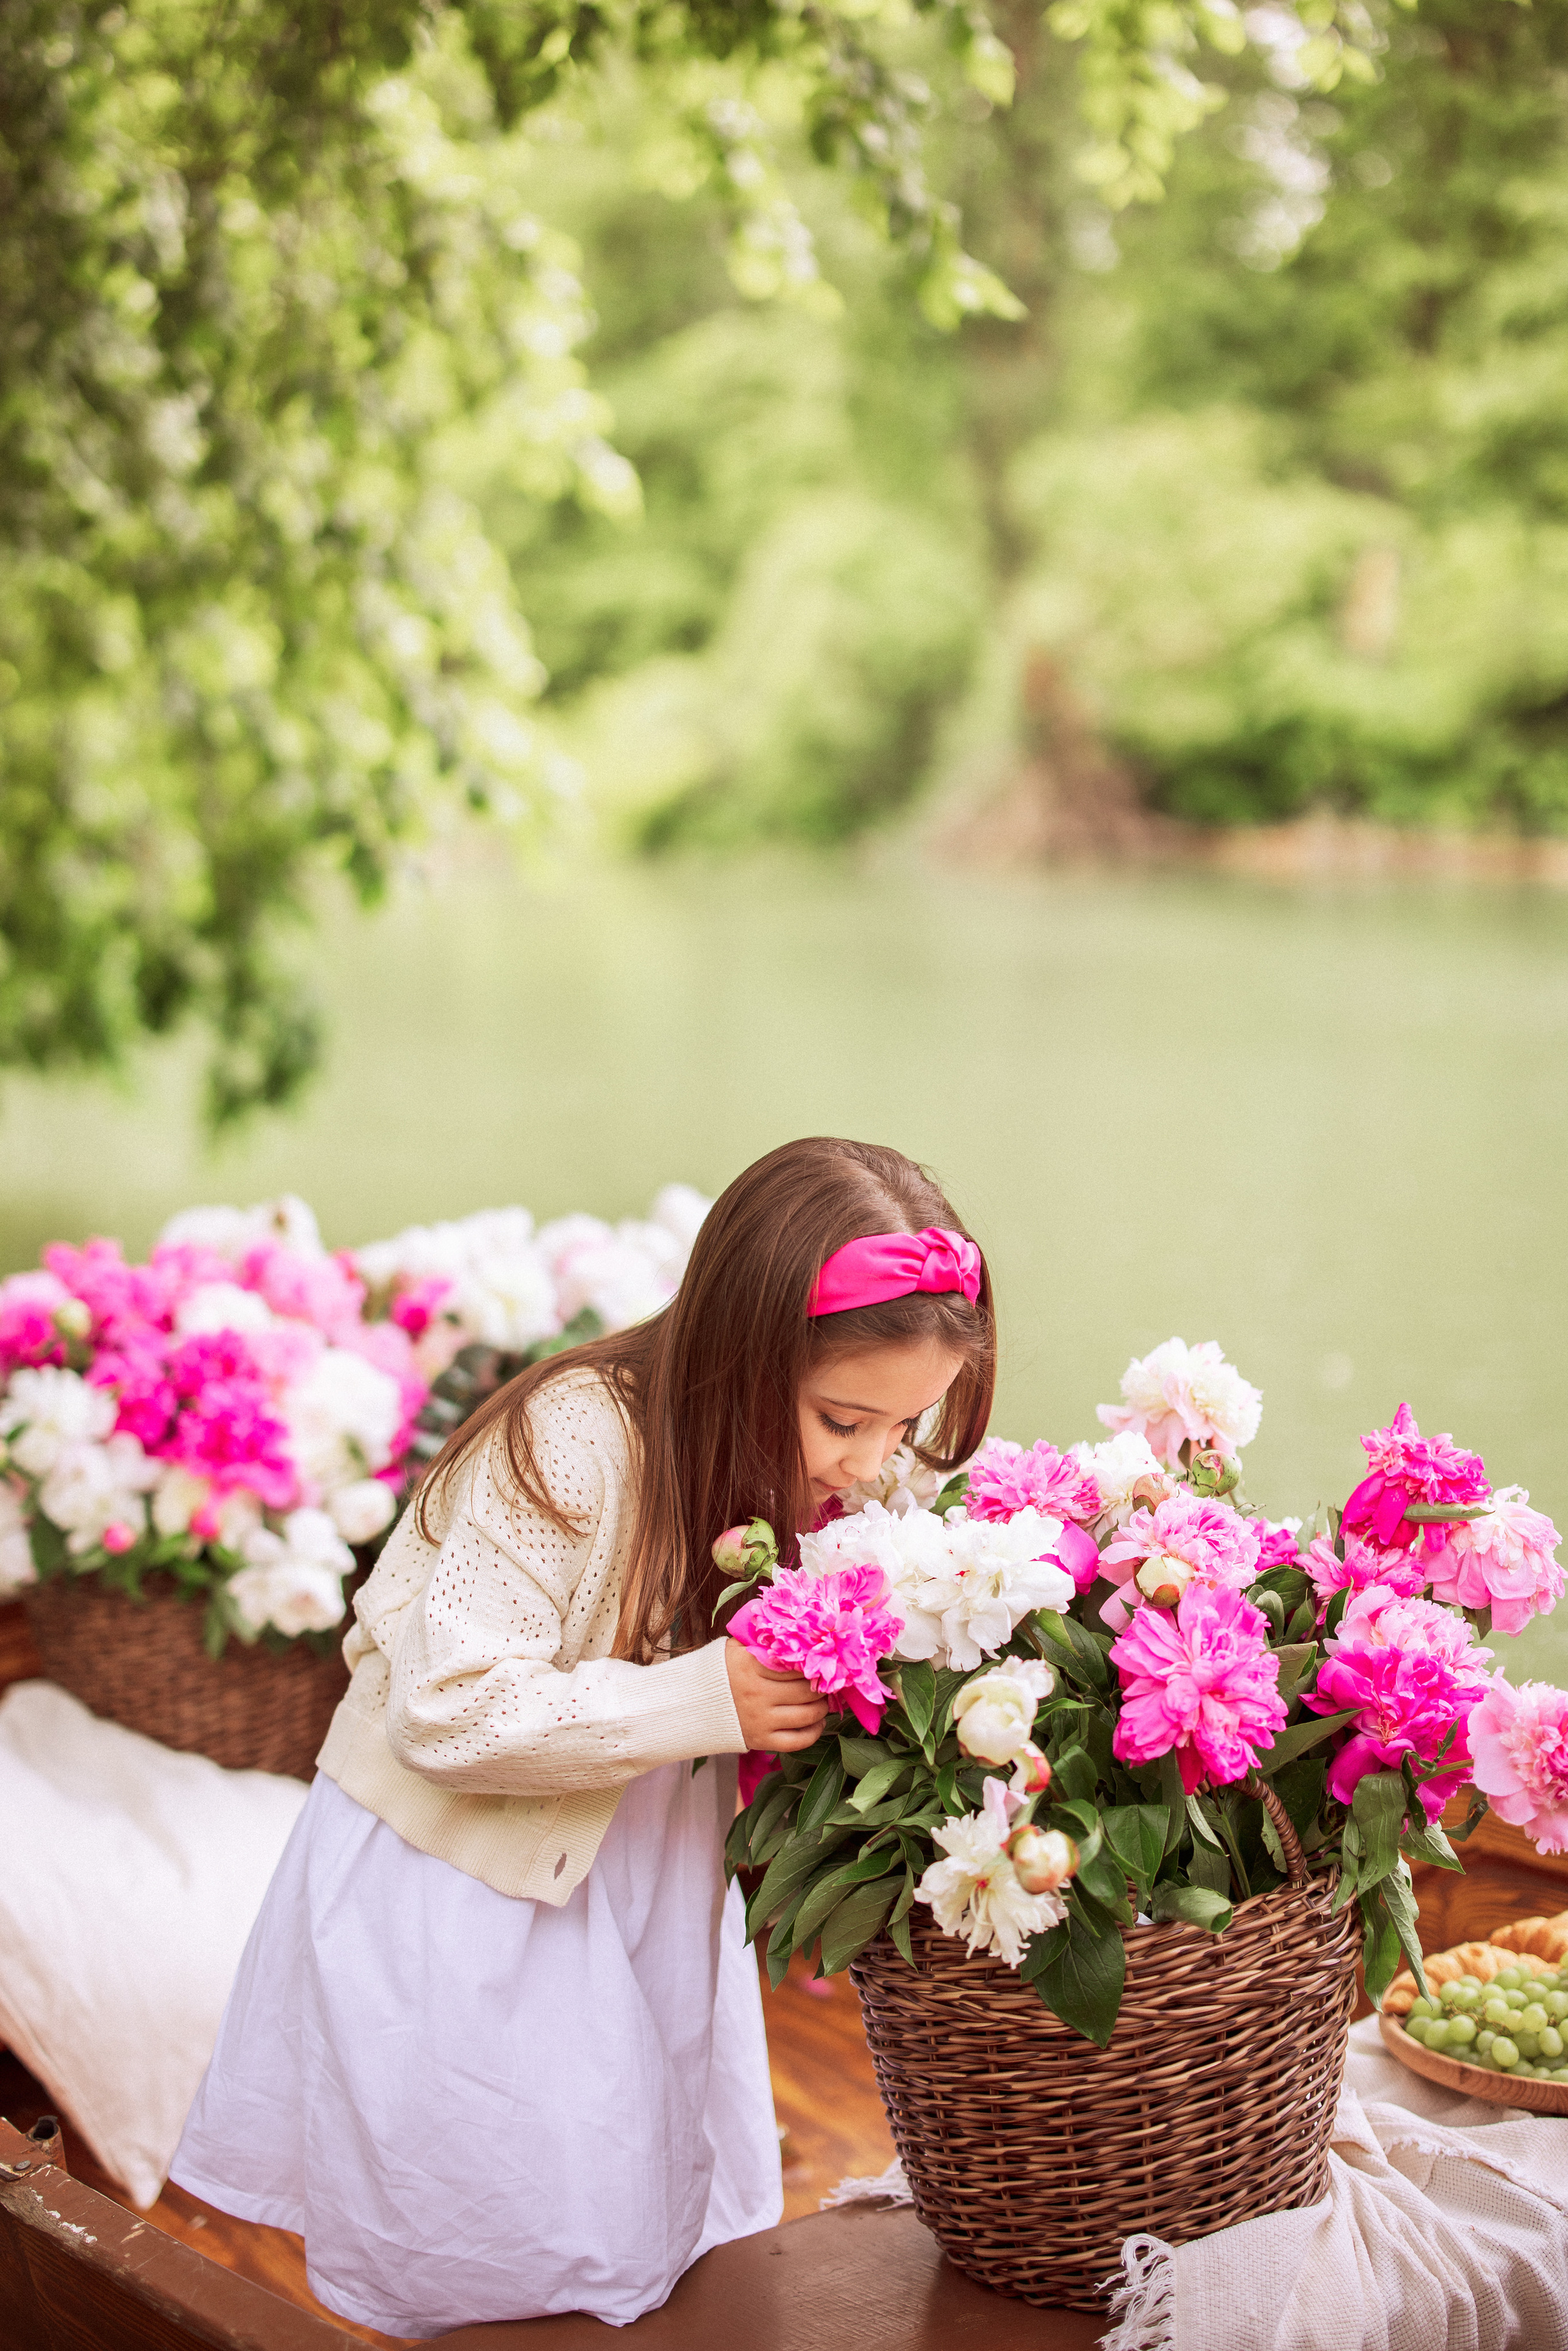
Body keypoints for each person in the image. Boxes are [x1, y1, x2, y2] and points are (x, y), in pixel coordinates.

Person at [171, 1136, 996, 2338]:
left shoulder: (801, 1456)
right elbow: (445, 1706)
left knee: (636, 2214)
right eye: (842, 1419)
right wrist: (709, 1699)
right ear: (743, 1347)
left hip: (627, 1858)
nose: (869, 1465)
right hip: (469, 1887)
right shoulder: (572, 1436)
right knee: (509, 2235)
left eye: (899, 1427)